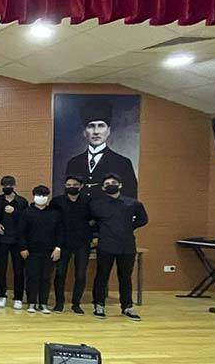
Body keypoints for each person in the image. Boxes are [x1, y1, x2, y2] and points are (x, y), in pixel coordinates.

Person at [89, 174, 148, 320]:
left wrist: (129, 227)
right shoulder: (97, 204)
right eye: (107, 183)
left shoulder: (132, 203)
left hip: (127, 246)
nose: (110, 185)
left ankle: (127, 307)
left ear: (120, 185)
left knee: (125, 277)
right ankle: (99, 305)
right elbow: (91, 222)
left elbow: (143, 219)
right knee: (102, 276)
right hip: (106, 245)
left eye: (113, 182)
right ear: (103, 188)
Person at [63, 101, 139, 198]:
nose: (96, 132)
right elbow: (67, 198)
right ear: (84, 132)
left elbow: (130, 199)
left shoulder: (123, 163)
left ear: (108, 131)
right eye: (91, 126)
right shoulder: (74, 163)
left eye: (101, 126)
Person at [20, 186, 64, 314]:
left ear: (48, 197)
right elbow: (21, 232)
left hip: (49, 252)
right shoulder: (27, 212)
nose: (41, 197)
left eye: (44, 195)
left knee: (46, 278)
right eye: (39, 195)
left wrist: (58, 248)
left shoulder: (54, 213)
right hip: (31, 251)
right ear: (33, 196)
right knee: (32, 277)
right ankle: (32, 303)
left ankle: (43, 303)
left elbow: (60, 232)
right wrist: (23, 247)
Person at [54, 175, 93, 314]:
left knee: (81, 274)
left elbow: (95, 220)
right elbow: (53, 222)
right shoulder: (57, 201)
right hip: (63, 243)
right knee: (60, 273)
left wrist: (94, 236)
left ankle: (76, 304)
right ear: (65, 186)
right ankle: (59, 303)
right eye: (69, 185)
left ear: (81, 186)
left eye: (75, 185)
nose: (72, 187)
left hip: (82, 243)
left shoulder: (88, 201)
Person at [0, 175, 28, 309]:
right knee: (1, 269)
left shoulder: (22, 201)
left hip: (17, 240)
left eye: (10, 185)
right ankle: (2, 296)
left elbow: (27, 220)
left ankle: (18, 298)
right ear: (1, 186)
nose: (7, 187)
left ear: (14, 186)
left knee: (18, 269)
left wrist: (15, 211)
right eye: (5, 185)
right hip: (1, 240)